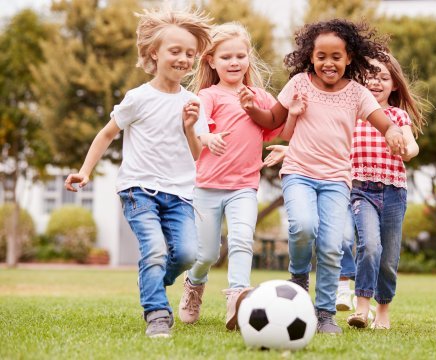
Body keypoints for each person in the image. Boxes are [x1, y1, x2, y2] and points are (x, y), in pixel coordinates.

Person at [240, 18, 407, 334]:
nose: (328, 63)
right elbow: (273, 119)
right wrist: (251, 110)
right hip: (299, 173)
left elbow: (382, 120)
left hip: (336, 180)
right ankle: (299, 275)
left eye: (336, 57)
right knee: (303, 226)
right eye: (321, 57)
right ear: (310, 57)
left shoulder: (357, 93)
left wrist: (394, 131)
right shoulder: (299, 84)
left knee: (331, 246)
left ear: (349, 58)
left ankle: (326, 313)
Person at [64, 6, 213, 338]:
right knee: (155, 249)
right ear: (154, 53)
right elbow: (106, 134)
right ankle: (157, 313)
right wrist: (85, 172)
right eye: (175, 51)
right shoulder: (138, 98)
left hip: (179, 194)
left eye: (190, 53)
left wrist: (189, 128)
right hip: (138, 190)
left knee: (188, 253)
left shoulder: (192, 103)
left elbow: (198, 154)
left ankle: (152, 281)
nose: (183, 59)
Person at [177, 22, 280, 330]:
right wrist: (206, 137)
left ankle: (237, 298)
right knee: (207, 253)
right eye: (226, 57)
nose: (234, 62)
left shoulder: (259, 97)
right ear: (211, 60)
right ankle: (194, 285)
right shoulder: (208, 95)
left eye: (240, 56)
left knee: (241, 240)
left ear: (248, 57)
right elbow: (198, 122)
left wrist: (297, 112)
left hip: (244, 188)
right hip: (207, 187)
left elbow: (278, 124)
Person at [346, 54, 423, 330]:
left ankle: (383, 311)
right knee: (369, 247)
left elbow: (412, 146)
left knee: (388, 258)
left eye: (383, 77)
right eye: (370, 75)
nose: (376, 82)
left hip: (393, 192)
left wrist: (406, 149)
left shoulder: (397, 115)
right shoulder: (351, 111)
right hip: (360, 189)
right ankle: (361, 308)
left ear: (394, 85)